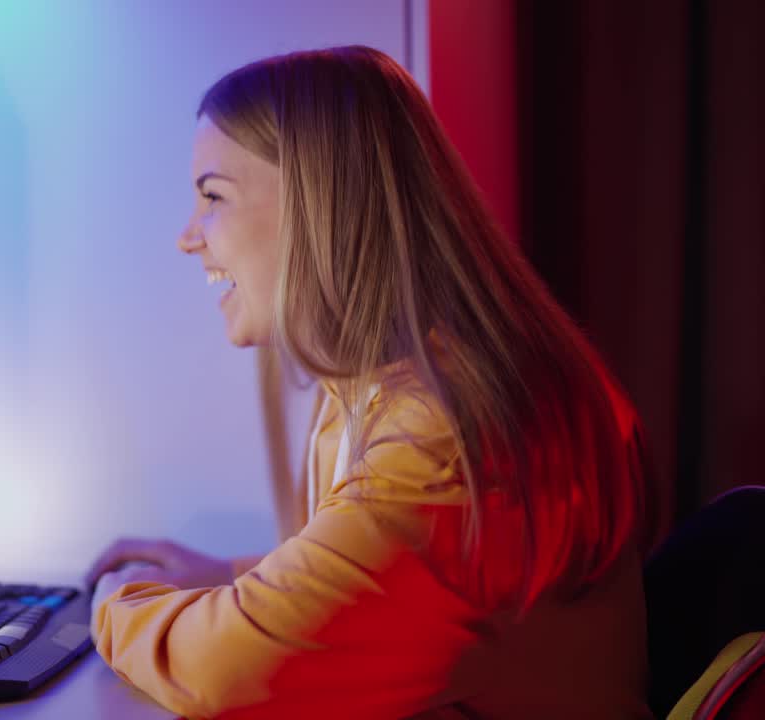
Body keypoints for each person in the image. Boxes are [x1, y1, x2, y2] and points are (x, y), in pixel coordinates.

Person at [85, 46, 654, 719]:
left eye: (213, 196)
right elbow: (384, 579)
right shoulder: (391, 391)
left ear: (319, 201)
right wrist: (235, 576)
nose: (189, 237)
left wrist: (107, 606)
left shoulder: (446, 435)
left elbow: (230, 672)